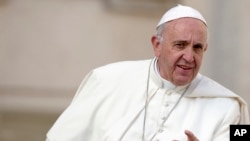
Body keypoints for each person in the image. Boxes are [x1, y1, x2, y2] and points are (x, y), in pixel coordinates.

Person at [46, 4, 249, 141]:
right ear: (157, 45)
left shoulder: (229, 105)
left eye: (197, 47)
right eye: (180, 45)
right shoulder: (105, 80)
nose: (189, 57)